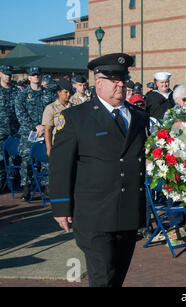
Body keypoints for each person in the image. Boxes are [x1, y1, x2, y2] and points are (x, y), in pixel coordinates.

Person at [49, 53, 149, 287]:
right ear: (99, 82)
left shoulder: (139, 117)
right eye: (114, 80)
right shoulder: (76, 117)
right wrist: (61, 206)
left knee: (117, 276)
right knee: (102, 277)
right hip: (94, 213)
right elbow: (61, 165)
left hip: (127, 209)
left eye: (123, 79)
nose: (120, 85)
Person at [15, 66, 50, 200]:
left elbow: (52, 111)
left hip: (45, 131)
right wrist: (35, 126)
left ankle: (46, 186)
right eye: (33, 75)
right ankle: (26, 188)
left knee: (46, 159)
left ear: (41, 77)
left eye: (38, 74)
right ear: (29, 77)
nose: (36, 77)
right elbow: (20, 114)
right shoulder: (22, 95)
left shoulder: (48, 94)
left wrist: (44, 127)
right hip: (28, 133)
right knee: (26, 160)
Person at [42, 79, 74, 157]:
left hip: (72, 144)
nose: (68, 94)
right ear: (59, 92)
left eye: (70, 92)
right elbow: (47, 130)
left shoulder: (74, 107)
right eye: (65, 92)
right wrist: (49, 148)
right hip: (58, 144)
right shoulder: (51, 108)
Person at [0, 65, 20, 189]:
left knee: (15, 159)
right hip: (0, 131)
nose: (8, 76)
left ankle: (13, 183)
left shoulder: (16, 91)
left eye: (9, 74)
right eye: (5, 73)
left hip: (14, 131)